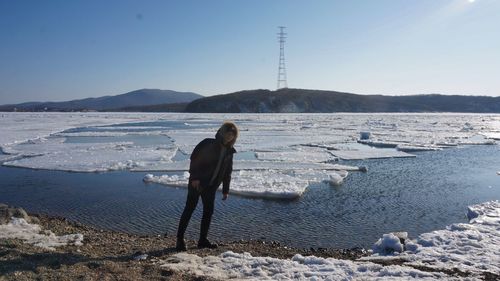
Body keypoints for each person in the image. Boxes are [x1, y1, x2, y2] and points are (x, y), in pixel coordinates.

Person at [176, 121, 238, 251]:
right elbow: (195, 158)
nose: (229, 137)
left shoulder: (229, 151)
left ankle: (202, 240)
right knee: (189, 209)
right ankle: (180, 240)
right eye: (228, 133)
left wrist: (225, 189)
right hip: (197, 183)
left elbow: (228, 171)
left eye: (232, 135)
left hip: (211, 187)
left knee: (208, 212)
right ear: (222, 132)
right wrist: (194, 177)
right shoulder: (208, 143)